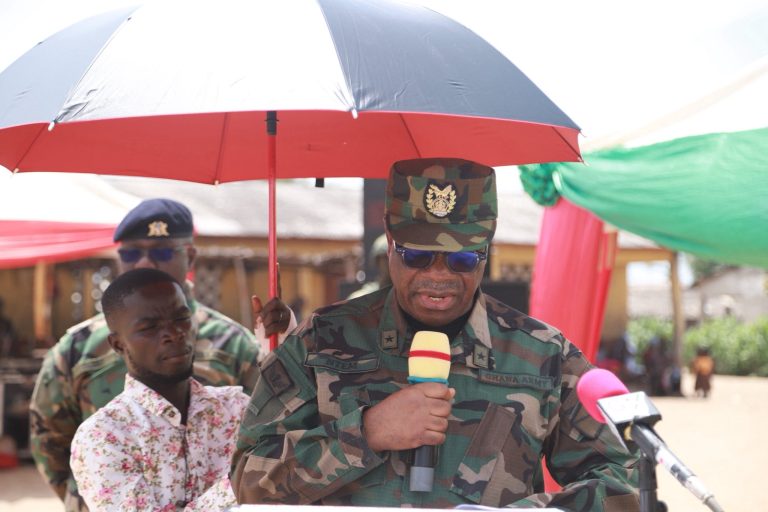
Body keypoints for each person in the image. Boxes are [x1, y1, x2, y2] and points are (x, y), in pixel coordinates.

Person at [231, 158, 640, 511]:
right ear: (390, 242)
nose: (439, 276)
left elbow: (624, 481)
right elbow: (247, 479)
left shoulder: (543, 354)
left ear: (487, 248)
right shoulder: (321, 341)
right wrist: (365, 433)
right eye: (418, 255)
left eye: (463, 258)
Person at [30, 198, 294, 511]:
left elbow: (282, 429)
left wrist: (286, 344)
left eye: (161, 252)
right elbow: (48, 435)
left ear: (190, 257)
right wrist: (81, 500)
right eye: (131, 253)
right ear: (118, 344)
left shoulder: (233, 377)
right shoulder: (83, 364)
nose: (144, 263)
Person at [71, 268, 247, 510]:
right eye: (149, 328)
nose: (174, 334)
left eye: (181, 319)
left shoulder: (237, 409)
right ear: (118, 344)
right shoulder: (103, 435)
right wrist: (239, 487)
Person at [347, 233, 392, 299]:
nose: (391, 262)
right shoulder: (362, 299)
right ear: (377, 261)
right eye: (386, 258)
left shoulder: (408, 299)